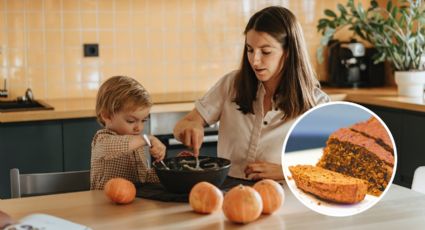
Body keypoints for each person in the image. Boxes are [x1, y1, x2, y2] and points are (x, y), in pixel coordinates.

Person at [173, 6, 329, 181]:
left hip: (284, 197)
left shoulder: (317, 104)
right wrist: (190, 127)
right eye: (250, 49)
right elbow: (184, 124)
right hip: (228, 192)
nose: (255, 60)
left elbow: (333, 169)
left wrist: (285, 171)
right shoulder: (231, 84)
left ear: (288, 52)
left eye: (266, 51)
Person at [90, 76, 166, 190]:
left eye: (143, 120)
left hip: (134, 203)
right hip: (105, 204)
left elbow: (143, 179)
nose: (139, 128)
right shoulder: (102, 140)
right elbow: (113, 146)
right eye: (131, 121)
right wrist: (147, 139)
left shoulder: (136, 143)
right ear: (107, 115)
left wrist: (168, 170)